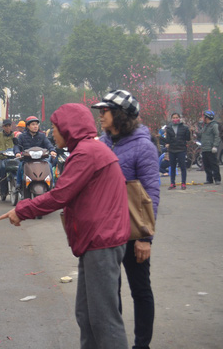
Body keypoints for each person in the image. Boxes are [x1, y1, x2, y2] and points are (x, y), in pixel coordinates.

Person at [0, 103, 130, 349]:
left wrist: (22, 209)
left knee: (104, 320)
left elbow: (60, 195)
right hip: (95, 242)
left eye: (56, 128)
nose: (52, 133)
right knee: (87, 315)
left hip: (102, 242)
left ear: (69, 129)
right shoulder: (87, 150)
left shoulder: (87, 153)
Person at [92, 89, 160, 349]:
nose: (101, 115)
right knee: (111, 293)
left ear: (120, 115)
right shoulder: (103, 142)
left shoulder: (143, 146)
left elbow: (151, 193)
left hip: (133, 232)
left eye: (105, 111)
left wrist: (146, 237)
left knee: (140, 290)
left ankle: (142, 345)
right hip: (106, 231)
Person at [14, 116, 57, 189]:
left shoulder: (42, 136)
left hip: (41, 159)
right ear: (28, 126)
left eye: (36, 124)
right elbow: (17, 146)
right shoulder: (22, 136)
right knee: (21, 166)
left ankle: (52, 183)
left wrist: (52, 151)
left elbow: (48, 144)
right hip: (27, 159)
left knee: (49, 165)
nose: (35, 126)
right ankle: (18, 183)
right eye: (33, 124)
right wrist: (17, 152)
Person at [165, 112, 191, 190]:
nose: (175, 119)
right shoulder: (169, 128)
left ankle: (183, 183)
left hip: (181, 149)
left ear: (179, 118)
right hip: (172, 150)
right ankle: (172, 183)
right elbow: (168, 140)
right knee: (172, 167)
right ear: (171, 119)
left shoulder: (184, 127)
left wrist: (189, 131)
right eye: (174, 117)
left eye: (177, 117)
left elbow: (188, 138)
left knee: (183, 167)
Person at [199, 110, 221, 185]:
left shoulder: (214, 125)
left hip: (211, 148)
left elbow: (217, 136)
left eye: (204, 116)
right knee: (206, 164)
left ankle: (217, 179)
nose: (203, 118)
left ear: (207, 117)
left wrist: (215, 146)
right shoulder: (205, 126)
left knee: (213, 164)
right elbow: (201, 134)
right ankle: (209, 179)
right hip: (204, 148)